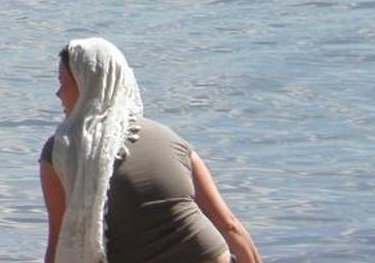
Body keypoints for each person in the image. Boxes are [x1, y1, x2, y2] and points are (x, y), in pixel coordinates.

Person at [40, 39, 261, 263]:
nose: (58, 94)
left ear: (86, 84)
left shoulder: (61, 150)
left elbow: (59, 242)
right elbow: (229, 224)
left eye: (62, 82)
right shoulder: (169, 138)